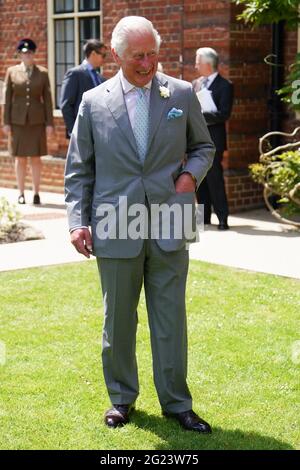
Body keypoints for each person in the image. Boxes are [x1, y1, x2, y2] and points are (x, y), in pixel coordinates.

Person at [65, 16, 215, 433]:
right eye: (138, 56)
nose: (148, 63)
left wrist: (190, 177)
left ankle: (178, 403)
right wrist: (77, 221)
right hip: (114, 219)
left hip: (173, 214)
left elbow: (203, 146)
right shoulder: (94, 102)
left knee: (171, 317)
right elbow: (79, 168)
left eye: (152, 53)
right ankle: (121, 399)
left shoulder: (181, 93)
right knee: (118, 320)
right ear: (116, 55)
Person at [3, 38, 54, 205]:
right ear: (20, 55)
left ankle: (36, 193)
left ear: (34, 54)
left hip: (37, 122)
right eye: (24, 53)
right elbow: (7, 98)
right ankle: (21, 193)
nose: (27, 56)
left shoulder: (43, 73)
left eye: (30, 53)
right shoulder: (12, 71)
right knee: (20, 158)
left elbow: (47, 100)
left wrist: (49, 123)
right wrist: (6, 122)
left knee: (36, 158)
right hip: (17, 122)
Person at [193, 47, 233, 230]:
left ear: (207, 64)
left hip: (214, 139)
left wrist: (203, 115)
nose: (195, 66)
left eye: (197, 62)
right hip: (197, 139)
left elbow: (224, 114)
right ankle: (203, 218)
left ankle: (223, 218)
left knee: (215, 178)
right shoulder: (195, 84)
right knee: (198, 179)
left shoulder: (225, 86)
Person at [60, 39, 107, 138]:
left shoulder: (100, 78)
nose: (104, 59)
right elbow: (66, 105)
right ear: (93, 53)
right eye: (103, 55)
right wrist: (74, 132)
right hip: (80, 133)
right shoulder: (75, 74)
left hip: (98, 133)